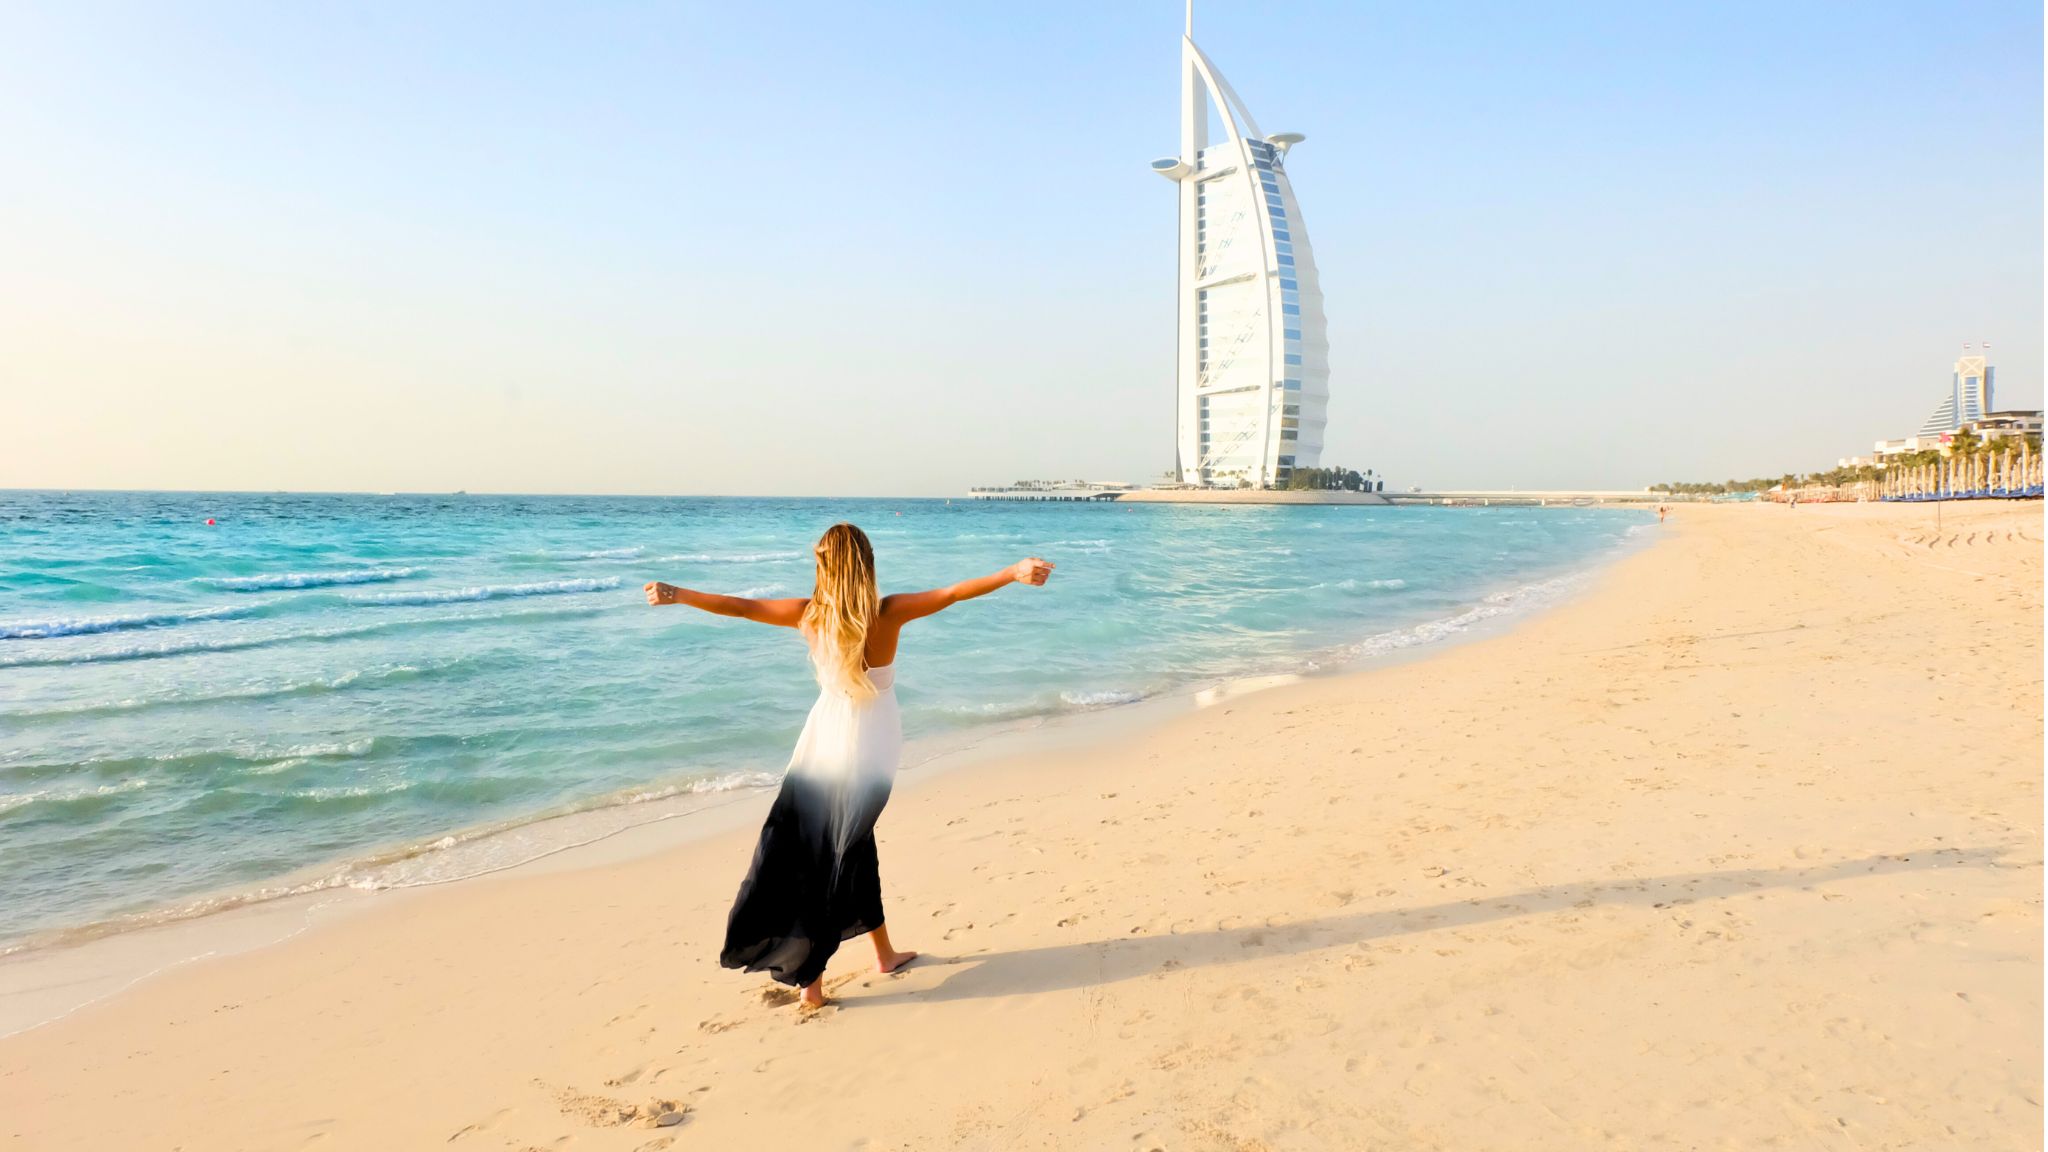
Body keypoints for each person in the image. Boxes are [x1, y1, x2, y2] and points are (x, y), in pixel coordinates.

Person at [644, 524, 1053, 1010]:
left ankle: (880, 954)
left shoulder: (808, 614)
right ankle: (815, 984)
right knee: (838, 855)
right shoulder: (889, 613)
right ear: (867, 564)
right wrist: (1012, 572)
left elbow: (741, 606)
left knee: (837, 848)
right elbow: (952, 594)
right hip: (869, 752)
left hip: (822, 743)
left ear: (825, 566)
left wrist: (679, 594)